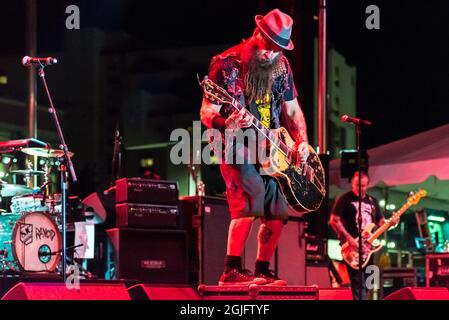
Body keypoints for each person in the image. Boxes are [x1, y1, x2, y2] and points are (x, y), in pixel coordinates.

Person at [200, 8, 309, 286]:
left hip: (272, 149)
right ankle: (231, 270)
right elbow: (206, 111)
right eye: (267, 48)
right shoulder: (226, 64)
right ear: (256, 34)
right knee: (251, 199)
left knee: (277, 211)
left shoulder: (282, 66)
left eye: (277, 50)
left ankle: (261, 269)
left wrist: (303, 141)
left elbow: (293, 110)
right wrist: (227, 122)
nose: (270, 55)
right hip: (236, 145)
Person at [329, 171, 398, 299]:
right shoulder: (345, 199)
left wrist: (393, 222)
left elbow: (381, 222)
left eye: (363, 186)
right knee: (358, 283)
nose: (360, 188)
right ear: (352, 184)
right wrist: (349, 239)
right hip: (352, 248)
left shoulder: (372, 201)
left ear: (368, 185)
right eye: (357, 185)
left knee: (369, 283)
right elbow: (334, 220)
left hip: (369, 248)